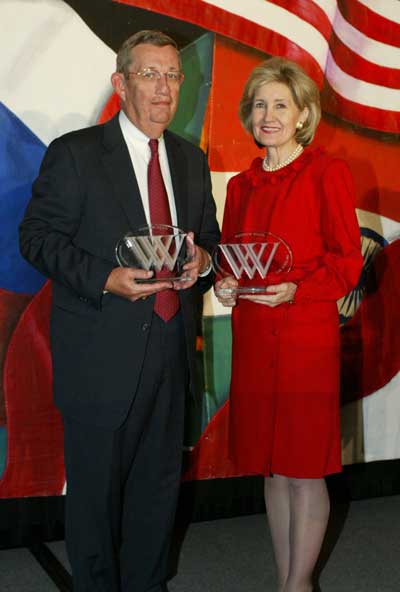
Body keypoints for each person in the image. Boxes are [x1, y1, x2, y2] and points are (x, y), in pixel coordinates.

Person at [19, 30, 220, 592]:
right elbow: (36, 238)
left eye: (172, 76)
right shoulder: (77, 154)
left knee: (157, 493)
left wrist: (201, 260)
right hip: (99, 356)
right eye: (149, 74)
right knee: (96, 501)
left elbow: (209, 240)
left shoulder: (190, 160)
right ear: (120, 83)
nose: (163, 88)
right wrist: (104, 277)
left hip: (170, 352)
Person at [215, 57, 363, 592]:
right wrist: (225, 284)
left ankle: (298, 586)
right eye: (259, 105)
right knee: (273, 469)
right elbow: (231, 259)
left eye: (280, 104)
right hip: (254, 338)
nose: (268, 115)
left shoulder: (328, 173)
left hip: (305, 338)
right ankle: (286, 580)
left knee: (304, 467)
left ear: (303, 115)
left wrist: (299, 289)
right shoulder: (240, 187)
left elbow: (347, 263)